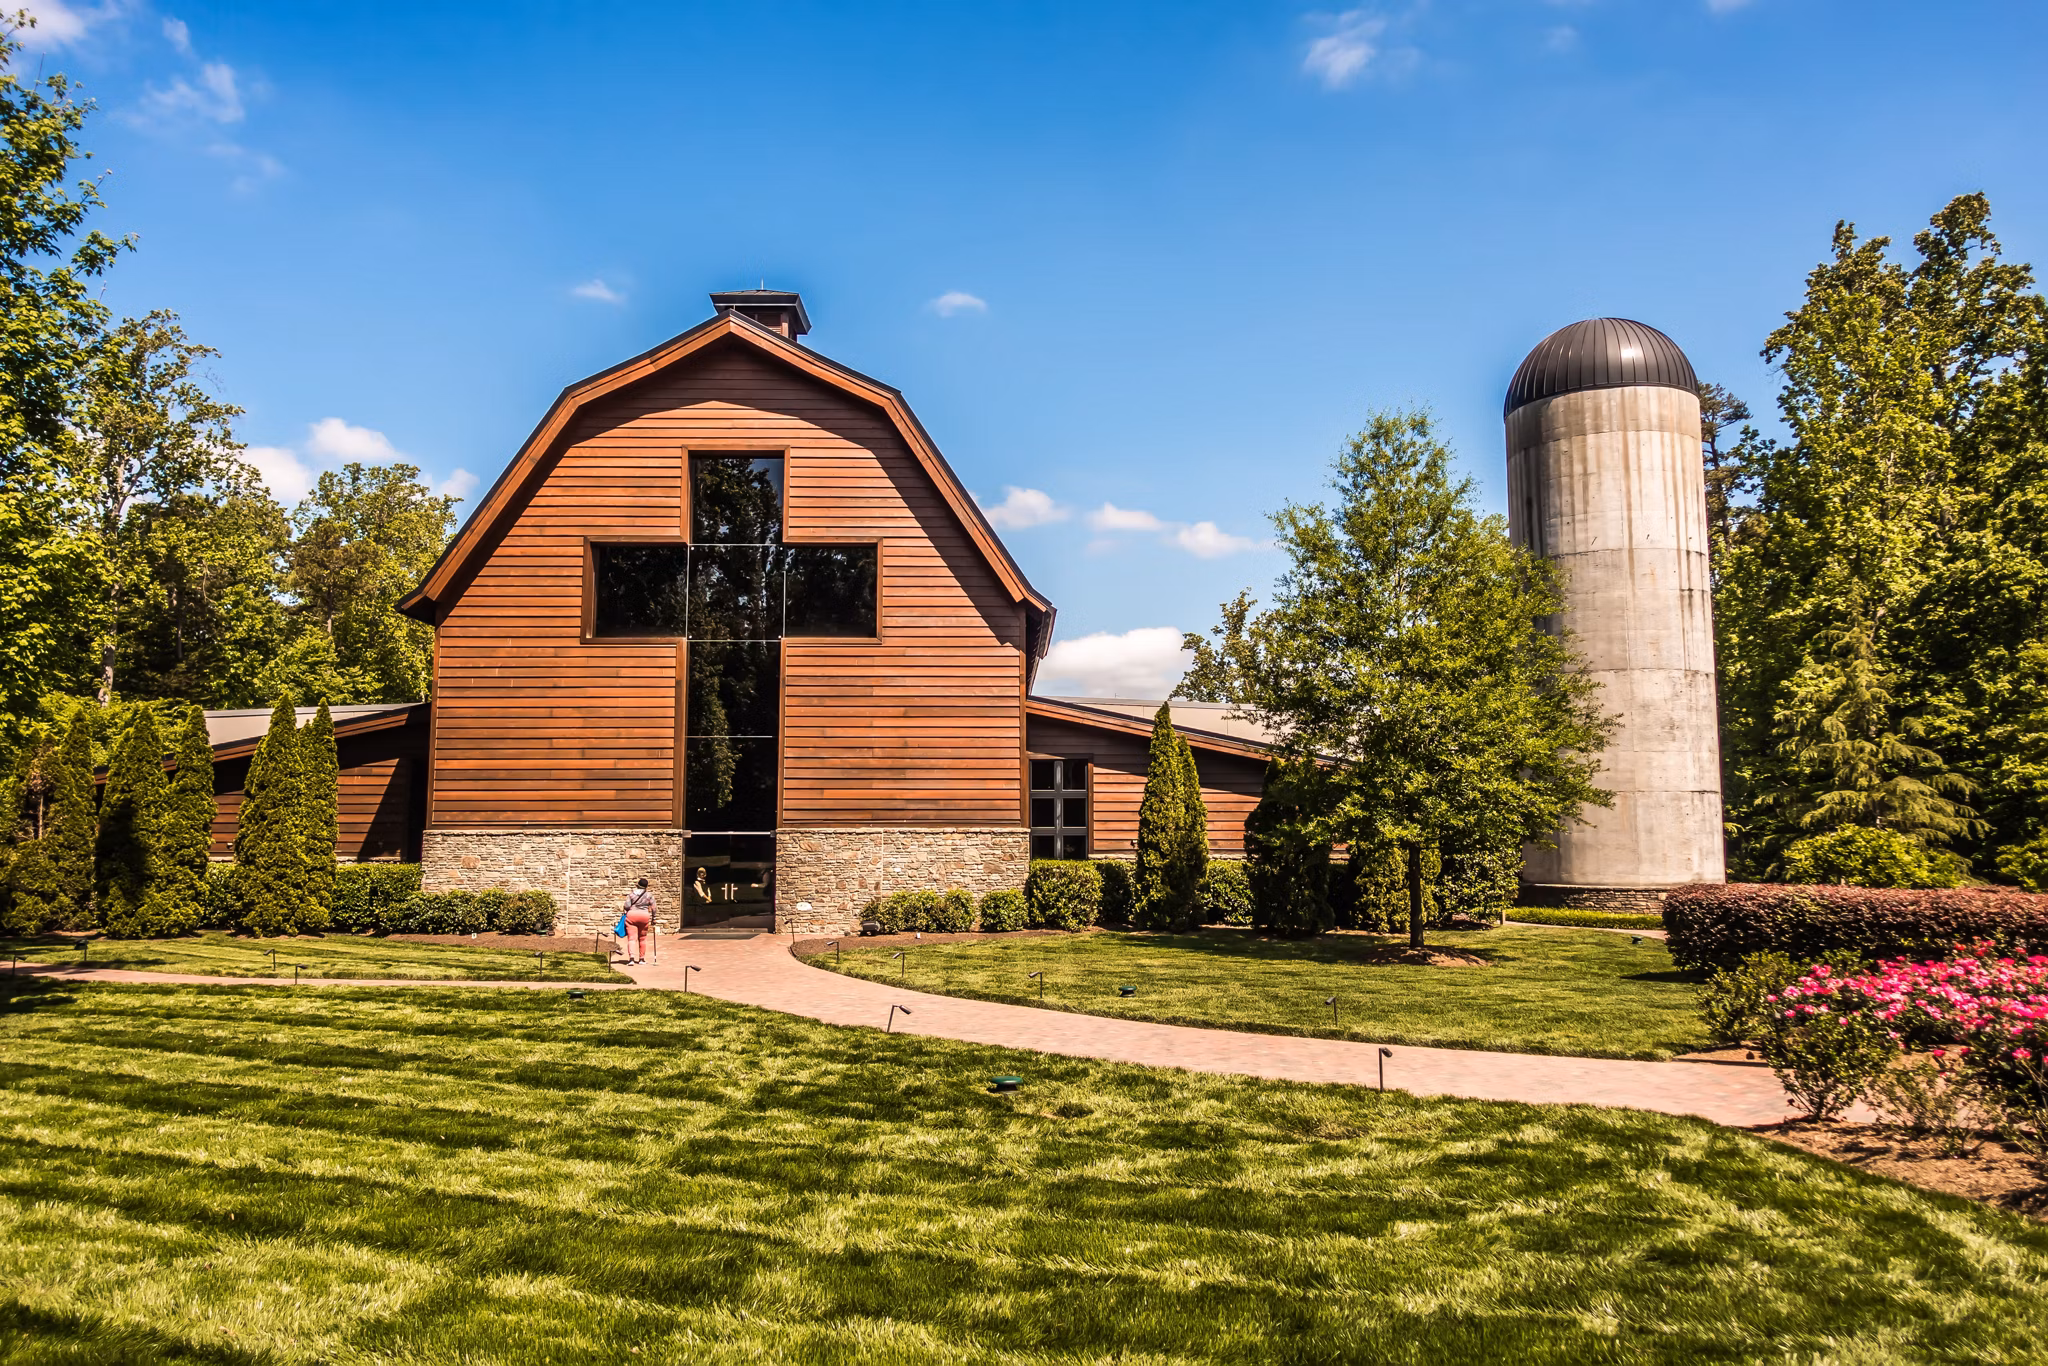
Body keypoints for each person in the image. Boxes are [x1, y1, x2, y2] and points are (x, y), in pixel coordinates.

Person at [620, 877, 656, 964]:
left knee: (632, 939)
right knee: (643, 938)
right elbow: (654, 907)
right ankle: (641, 959)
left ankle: (631, 959)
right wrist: (653, 918)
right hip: (644, 916)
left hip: (632, 916)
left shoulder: (631, 894)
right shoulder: (649, 895)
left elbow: (627, 906)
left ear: (638, 885)